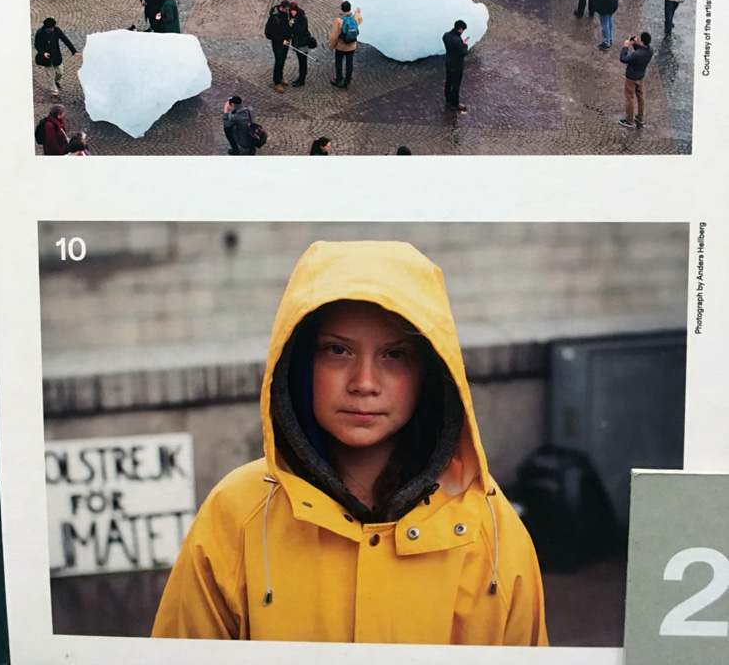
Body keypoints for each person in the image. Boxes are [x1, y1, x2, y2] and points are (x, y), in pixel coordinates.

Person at [151, 240, 548, 645]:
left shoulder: (490, 528)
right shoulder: (235, 515)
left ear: (430, 373)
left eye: (395, 355)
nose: (364, 383)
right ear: (301, 361)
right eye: (337, 350)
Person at [34, 18, 81, 96]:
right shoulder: (40, 33)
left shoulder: (56, 30)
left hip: (56, 56)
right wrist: (43, 53)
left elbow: (65, 40)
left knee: (59, 72)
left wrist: (74, 51)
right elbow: (37, 45)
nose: (52, 29)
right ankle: (54, 93)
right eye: (51, 28)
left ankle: (56, 81)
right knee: (50, 76)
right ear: (47, 27)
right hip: (47, 59)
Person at [619, 33, 653, 129]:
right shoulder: (649, 50)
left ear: (642, 42)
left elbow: (623, 59)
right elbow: (640, 50)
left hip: (631, 77)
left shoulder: (637, 55)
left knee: (630, 98)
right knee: (641, 96)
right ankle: (640, 118)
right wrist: (634, 44)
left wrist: (625, 47)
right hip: (640, 76)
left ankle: (629, 120)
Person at [329, 0, 362, 89]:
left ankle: (339, 79)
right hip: (352, 46)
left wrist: (331, 46)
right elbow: (360, 21)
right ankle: (347, 80)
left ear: (342, 9)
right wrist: (358, 14)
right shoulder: (354, 18)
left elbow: (334, 35)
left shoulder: (339, 20)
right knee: (349, 63)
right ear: (350, 8)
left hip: (341, 46)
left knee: (339, 62)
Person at [265, 0, 292, 91]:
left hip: (286, 41)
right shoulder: (274, 18)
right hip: (278, 43)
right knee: (279, 61)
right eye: (286, 10)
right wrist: (281, 40)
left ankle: (280, 77)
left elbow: (285, 27)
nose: (287, 12)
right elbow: (271, 33)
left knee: (283, 60)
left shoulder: (286, 15)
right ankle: (276, 82)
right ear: (282, 7)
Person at [443, 19, 469, 113]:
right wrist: (465, 45)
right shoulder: (458, 41)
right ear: (461, 29)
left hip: (449, 62)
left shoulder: (446, 35)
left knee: (448, 81)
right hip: (457, 65)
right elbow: (463, 52)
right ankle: (455, 103)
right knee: (456, 84)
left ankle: (448, 99)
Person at [288, 1, 312, 87]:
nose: (292, 12)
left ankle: (302, 79)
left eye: (293, 10)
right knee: (300, 60)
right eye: (291, 11)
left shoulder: (302, 18)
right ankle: (300, 78)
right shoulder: (292, 17)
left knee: (303, 61)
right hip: (297, 42)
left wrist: (294, 24)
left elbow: (302, 29)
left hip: (303, 42)